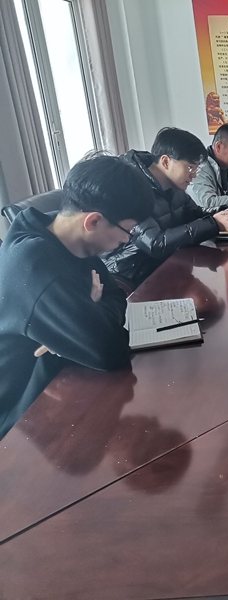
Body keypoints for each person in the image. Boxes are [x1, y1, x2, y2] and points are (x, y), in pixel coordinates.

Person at [0, 154, 154, 439]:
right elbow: (110, 350)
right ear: (93, 221)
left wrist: (90, 311)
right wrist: (91, 313)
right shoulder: (36, 263)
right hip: (21, 418)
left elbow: (114, 295)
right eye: (128, 231)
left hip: (64, 380)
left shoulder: (64, 235)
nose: (127, 240)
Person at [103, 127, 228, 290]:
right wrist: (214, 224)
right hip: (132, 276)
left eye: (196, 168)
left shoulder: (175, 188)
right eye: (190, 167)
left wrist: (223, 212)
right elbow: (155, 244)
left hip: (166, 266)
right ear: (166, 162)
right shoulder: (133, 190)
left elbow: (196, 215)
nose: (194, 175)